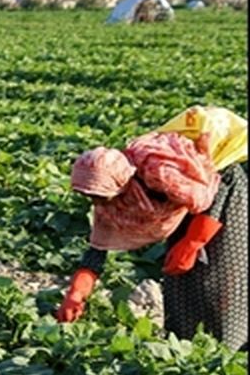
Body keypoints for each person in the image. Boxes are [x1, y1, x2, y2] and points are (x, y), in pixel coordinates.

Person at [57, 106, 247, 351]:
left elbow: (217, 189)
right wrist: (76, 294)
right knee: (180, 278)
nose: (96, 203)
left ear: (121, 183)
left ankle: (229, 352)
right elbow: (97, 250)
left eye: (97, 196)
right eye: (90, 196)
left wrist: (193, 242)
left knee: (221, 276)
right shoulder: (112, 195)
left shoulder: (161, 173)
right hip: (186, 204)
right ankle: (185, 348)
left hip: (224, 193)